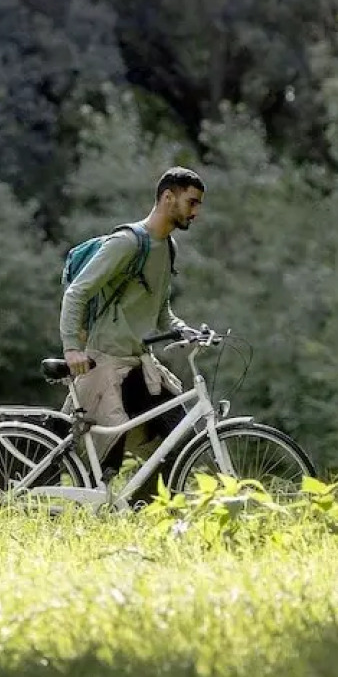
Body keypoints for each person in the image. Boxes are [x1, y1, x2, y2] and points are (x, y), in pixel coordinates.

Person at [58, 167, 206, 477]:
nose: (196, 212)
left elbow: (160, 308)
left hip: (140, 367)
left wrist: (181, 329)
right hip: (106, 367)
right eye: (191, 203)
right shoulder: (126, 243)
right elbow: (77, 293)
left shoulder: (167, 248)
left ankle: (146, 509)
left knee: (180, 445)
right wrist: (72, 348)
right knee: (100, 467)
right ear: (168, 198)